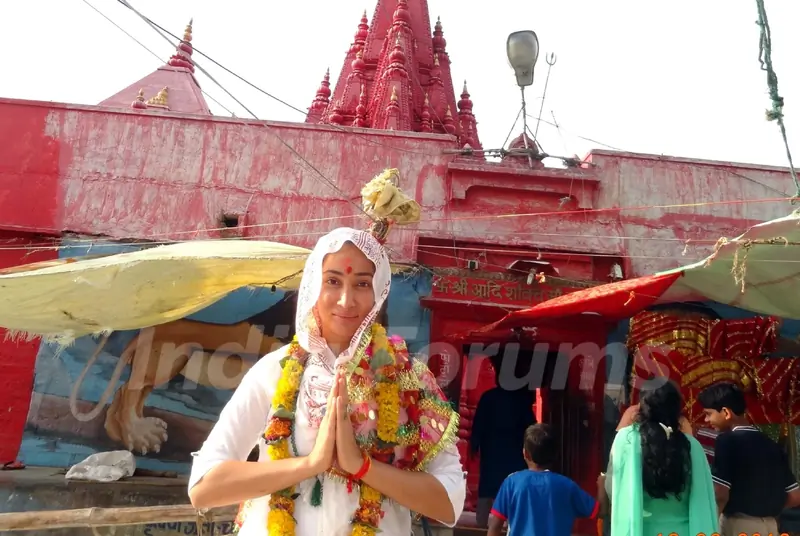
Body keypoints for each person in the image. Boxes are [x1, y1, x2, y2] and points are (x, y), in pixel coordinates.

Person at [187, 220, 466, 535]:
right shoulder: (274, 370)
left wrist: (362, 466)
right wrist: (310, 464)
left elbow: (449, 503)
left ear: (379, 291)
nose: (346, 301)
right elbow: (203, 485)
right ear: (312, 286)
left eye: (362, 284)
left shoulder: (410, 380)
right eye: (333, 281)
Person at [600, 381, 718, 536]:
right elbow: (704, 498)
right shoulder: (692, 446)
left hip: (641, 529)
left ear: (643, 406)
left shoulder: (627, 440)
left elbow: (613, 487)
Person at [698, 382, 800, 536]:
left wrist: (709, 525)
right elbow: (795, 496)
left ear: (726, 412)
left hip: (738, 525)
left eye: (708, 414)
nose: (706, 420)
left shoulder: (727, 441)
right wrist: (767, 509)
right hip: (771, 526)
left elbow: (720, 494)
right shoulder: (772, 445)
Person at [487, 423, 598, 536]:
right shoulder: (567, 486)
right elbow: (597, 510)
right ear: (556, 454)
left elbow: (495, 527)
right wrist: (602, 485)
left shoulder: (511, 483)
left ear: (526, 454)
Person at [470, 354, 535, 528]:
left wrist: (473, 445)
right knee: (514, 487)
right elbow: (532, 428)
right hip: (514, 453)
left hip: (493, 452)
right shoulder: (522, 400)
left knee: (489, 487)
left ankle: (483, 524)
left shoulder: (488, 397)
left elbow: (478, 424)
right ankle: (514, 524)